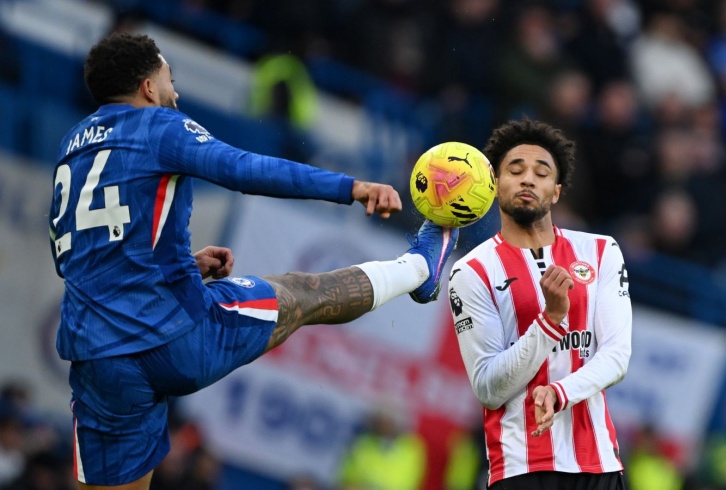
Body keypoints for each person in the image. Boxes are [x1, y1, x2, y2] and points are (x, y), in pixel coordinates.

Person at [48, 32, 459, 490]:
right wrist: (350, 187)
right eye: (169, 80)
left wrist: (176, 264)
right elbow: (245, 168)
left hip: (96, 356)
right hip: (173, 335)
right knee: (303, 293)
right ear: (148, 87)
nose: (175, 93)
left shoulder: (72, 146)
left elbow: (74, 254)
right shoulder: (159, 125)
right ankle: (420, 269)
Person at [447, 119, 632, 490]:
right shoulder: (471, 271)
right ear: (494, 185)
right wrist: (550, 321)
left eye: (541, 173)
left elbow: (616, 357)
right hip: (522, 468)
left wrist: (560, 392)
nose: (528, 180)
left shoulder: (600, 251)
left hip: (598, 464)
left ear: (556, 191)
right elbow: (488, 388)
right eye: (516, 171)